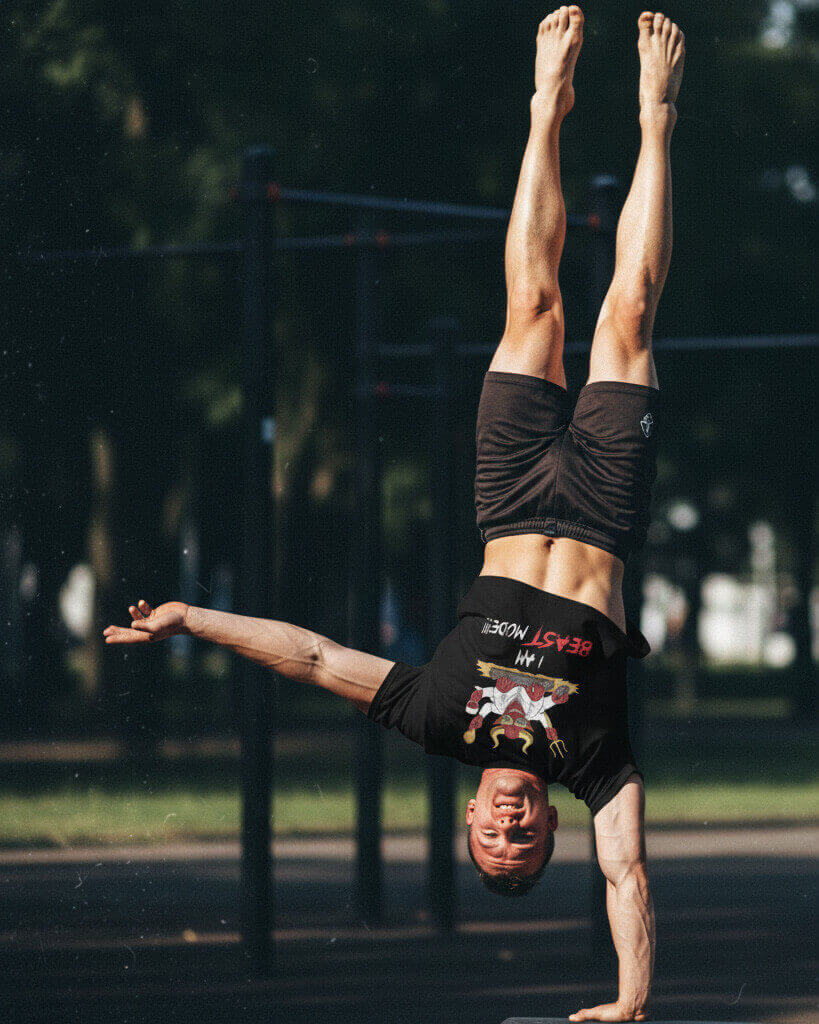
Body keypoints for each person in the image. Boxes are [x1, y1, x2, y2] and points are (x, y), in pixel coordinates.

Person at [104, 8, 684, 1020]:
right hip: (601, 509)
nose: (509, 829)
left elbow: (318, 657)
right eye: (525, 840)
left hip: (506, 495)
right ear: (549, 824)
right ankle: (655, 114)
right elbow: (627, 876)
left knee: (531, 306)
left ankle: (546, 105)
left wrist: (193, 618)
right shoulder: (597, 763)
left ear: (469, 817)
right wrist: (631, 1001)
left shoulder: (436, 717)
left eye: (493, 839)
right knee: (628, 306)